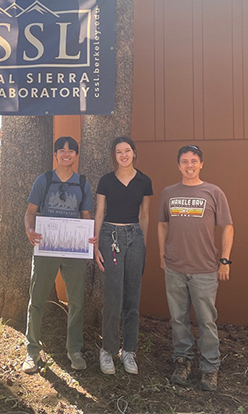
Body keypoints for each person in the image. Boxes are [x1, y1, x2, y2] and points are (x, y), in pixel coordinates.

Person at [158, 144, 233, 391]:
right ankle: (182, 362)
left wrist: (224, 260)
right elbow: (162, 225)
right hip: (175, 268)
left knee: (206, 321)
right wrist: (162, 254)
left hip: (205, 269)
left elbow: (227, 227)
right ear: (178, 165)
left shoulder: (213, 192)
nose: (189, 165)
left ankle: (210, 368)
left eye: (194, 161)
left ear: (201, 164)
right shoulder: (169, 192)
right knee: (178, 319)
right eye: (184, 161)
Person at [22, 136, 94, 373]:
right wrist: (30, 231)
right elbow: (30, 212)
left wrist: (89, 235)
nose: (66, 154)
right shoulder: (44, 180)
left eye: (71, 151)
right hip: (46, 247)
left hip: (74, 249)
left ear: (76, 155)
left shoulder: (83, 183)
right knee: (37, 299)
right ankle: (32, 350)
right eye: (61, 150)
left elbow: (85, 217)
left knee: (76, 302)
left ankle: (74, 349)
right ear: (55, 155)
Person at [91, 137, 153, 375]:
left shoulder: (144, 181)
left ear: (134, 153)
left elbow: (145, 215)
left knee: (132, 296)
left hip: (135, 236)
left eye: (127, 150)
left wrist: (144, 245)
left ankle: (129, 351)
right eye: (119, 151)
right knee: (113, 295)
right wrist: (95, 246)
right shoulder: (106, 181)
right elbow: (99, 214)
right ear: (114, 155)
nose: (124, 155)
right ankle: (108, 350)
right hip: (110, 236)